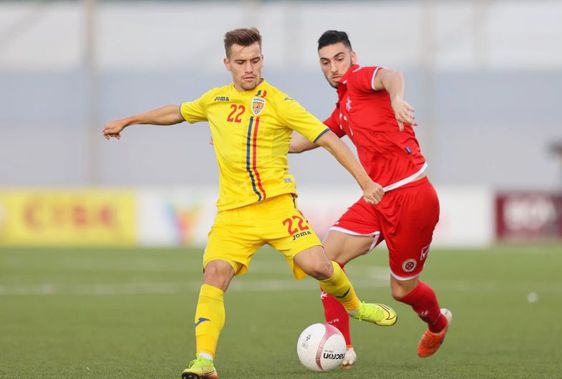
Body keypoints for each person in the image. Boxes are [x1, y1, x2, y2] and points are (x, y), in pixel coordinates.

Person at [102, 28, 398, 379]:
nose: (249, 68)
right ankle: (204, 361)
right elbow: (177, 112)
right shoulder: (214, 100)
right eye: (241, 62)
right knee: (214, 275)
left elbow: (329, 139)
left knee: (319, 266)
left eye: (255, 60)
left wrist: (364, 181)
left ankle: (356, 306)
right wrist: (129, 120)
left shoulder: (279, 102)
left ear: (262, 61)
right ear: (227, 63)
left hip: (277, 208)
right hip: (233, 215)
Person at [289, 30, 452, 367]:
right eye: (325, 62)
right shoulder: (343, 108)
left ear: (352, 57)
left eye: (339, 58)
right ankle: (342, 347)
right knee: (326, 262)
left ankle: (438, 323)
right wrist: (251, 142)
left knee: (401, 291)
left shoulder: (362, 79)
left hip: (411, 196)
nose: (333, 67)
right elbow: (309, 139)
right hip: (377, 198)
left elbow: (393, 76)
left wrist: (395, 98)